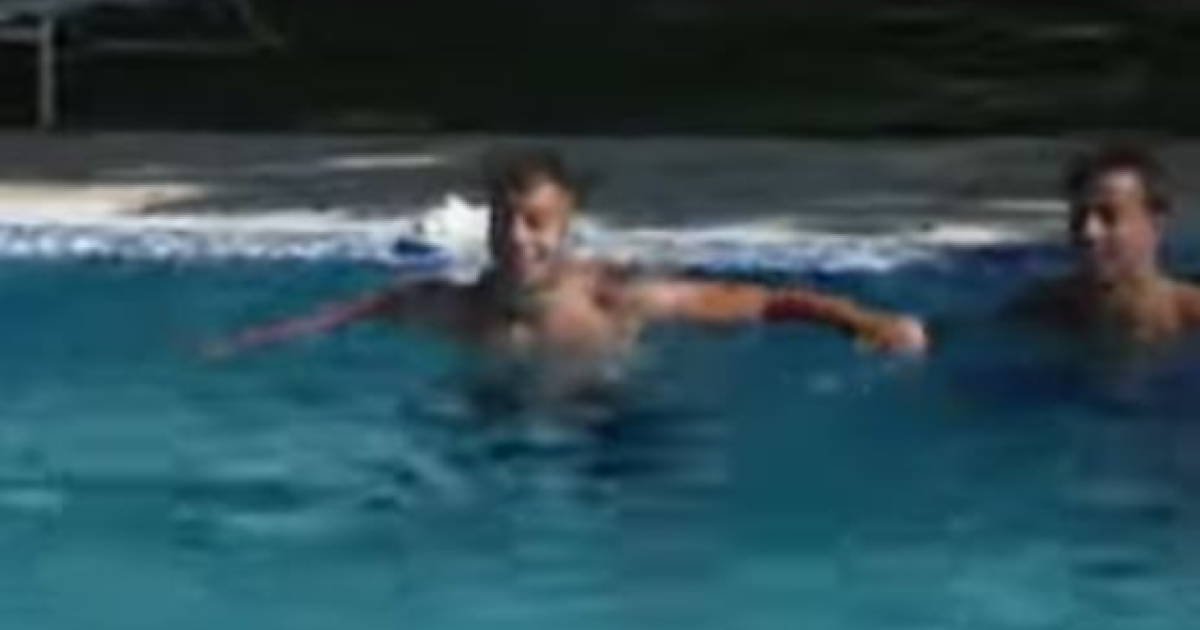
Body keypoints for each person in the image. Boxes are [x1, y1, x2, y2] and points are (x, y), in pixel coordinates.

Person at [204, 149, 927, 388]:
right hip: (495, 423)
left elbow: (766, 302)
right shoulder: (447, 303)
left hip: (604, 424)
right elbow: (353, 311)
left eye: (537, 224)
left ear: (567, 226)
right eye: (505, 222)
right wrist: (248, 344)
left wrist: (865, 320)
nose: (520, 240)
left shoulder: (615, 297)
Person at [1009, 145, 1200, 347]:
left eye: (1108, 216)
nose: (1088, 232)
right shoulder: (1041, 308)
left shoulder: (1189, 313)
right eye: (1079, 216)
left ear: (1157, 223)